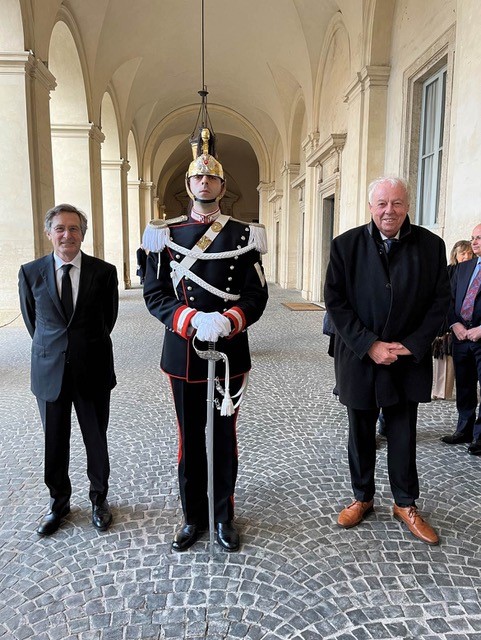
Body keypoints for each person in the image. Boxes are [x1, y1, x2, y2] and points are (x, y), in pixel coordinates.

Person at [142, 127, 268, 552]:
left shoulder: (243, 236)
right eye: (197, 178)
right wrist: (189, 317)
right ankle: (192, 516)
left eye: (211, 178)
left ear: (222, 186)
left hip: (229, 350)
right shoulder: (165, 236)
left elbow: (256, 294)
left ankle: (222, 515)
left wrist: (231, 320)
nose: (204, 183)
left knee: (223, 436)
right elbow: (155, 294)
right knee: (189, 437)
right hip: (184, 350)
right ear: (189, 185)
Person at [324, 176, 450, 545]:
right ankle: (362, 497)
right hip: (360, 358)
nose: (388, 210)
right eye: (381, 203)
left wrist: (411, 345)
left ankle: (405, 503)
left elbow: (440, 301)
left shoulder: (430, 246)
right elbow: (336, 302)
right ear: (370, 207)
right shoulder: (345, 246)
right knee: (360, 432)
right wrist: (370, 345)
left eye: (396, 203)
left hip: (406, 360)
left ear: (407, 205)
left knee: (402, 432)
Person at [18, 204, 118, 536]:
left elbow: (109, 320)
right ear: (49, 233)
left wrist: (81, 345)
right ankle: (58, 504)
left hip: (92, 371)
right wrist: (58, 349)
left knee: (96, 440)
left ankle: (99, 500)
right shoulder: (31, 273)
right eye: (60, 228)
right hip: (49, 373)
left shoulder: (104, 272)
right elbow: (35, 323)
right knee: (55, 443)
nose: (67, 235)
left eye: (74, 229)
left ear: (82, 234)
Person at [441, 225, 481, 454]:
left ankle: (480, 437)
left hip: (480, 336)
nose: (474, 242)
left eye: (479, 238)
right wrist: (454, 324)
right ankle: (464, 429)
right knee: (464, 386)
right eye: (473, 238)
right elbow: (448, 297)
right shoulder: (463, 268)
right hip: (461, 336)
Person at [432, 240, 473, 401]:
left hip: (463, 319)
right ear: (455, 254)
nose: (466, 256)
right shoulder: (449, 270)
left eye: (469, 253)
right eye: (463, 253)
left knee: (452, 356)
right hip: (445, 316)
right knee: (440, 354)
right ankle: (437, 389)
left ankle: (446, 390)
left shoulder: (474, 271)